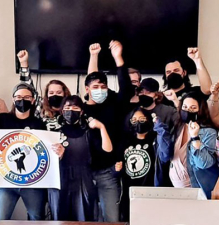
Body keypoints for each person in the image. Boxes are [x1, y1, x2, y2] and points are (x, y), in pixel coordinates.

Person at [84, 41, 134, 222]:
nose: (100, 90)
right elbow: (92, 77)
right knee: (85, 218)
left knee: (112, 219)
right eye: (95, 88)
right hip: (85, 173)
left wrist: (118, 59)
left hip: (109, 172)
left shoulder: (114, 105)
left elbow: (126, 89)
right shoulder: (79, 109)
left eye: (103, 87)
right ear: (87, 90)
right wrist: (94, 56)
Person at [0, 82, 51, 222]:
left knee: (37, 218)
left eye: (27, 97)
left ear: (33, 100)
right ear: (13, 99)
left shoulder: (39, 123)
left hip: (32, 182)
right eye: (18, 96)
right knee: (0, 220)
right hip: (4, 181)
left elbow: (43, 153)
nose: (22, 100)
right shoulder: (2, 119)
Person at [55, 95, 112, 221]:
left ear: (81, 111)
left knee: (85, 216)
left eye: (75, 107)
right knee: (60, 216)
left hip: (84, 179)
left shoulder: (88, 131)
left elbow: (107, 150)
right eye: (68, 107)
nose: (71, 110)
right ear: (62, 110)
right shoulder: (54, 131)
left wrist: (101, 127)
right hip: (60, 179)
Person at [118, 108, 173, 221]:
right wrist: (117, 169)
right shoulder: (126, 142)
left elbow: (166, 154)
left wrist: (159, 126)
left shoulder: (156, 140)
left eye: (142, 119)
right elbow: (119, 167)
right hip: (130, 194)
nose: (138, 122)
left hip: (151, 193)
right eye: (134, 120)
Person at [169, 91, 219, 198]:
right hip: (174, 189)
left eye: (193, 108)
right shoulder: (178, 127)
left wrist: (195, 138)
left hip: (196, 189)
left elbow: (204, 164)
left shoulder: (209, 132)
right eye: (185, 107)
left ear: (200, 110)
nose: (188, 111)